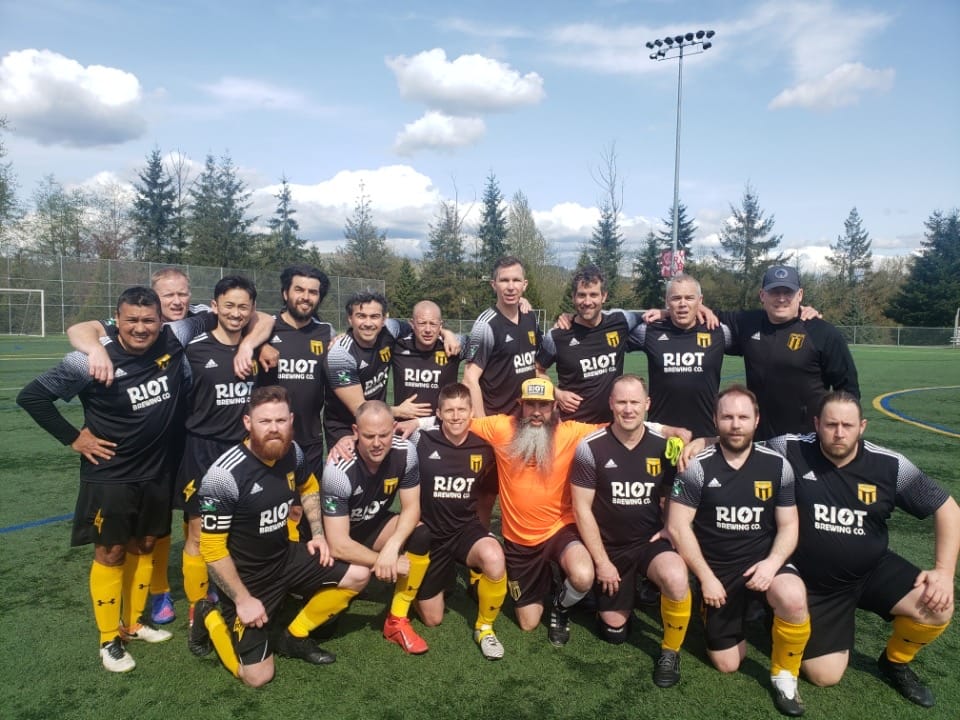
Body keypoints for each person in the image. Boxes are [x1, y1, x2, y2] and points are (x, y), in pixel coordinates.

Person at [16, 286, 214, 672]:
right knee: (111, 552)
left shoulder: (175, 337)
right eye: (132, 321)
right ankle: (109, 641)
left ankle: (133, 623)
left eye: (148, 320)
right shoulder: (89, 359)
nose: (141, 329)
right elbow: (33, 397)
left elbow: (223, 313)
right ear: (116, 321)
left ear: (162, 321)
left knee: (144, 544)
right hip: (111, 475)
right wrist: (74, 437)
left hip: (157, 471)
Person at [766, 391, 958, 708]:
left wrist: (943, 571)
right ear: (816, 424)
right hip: (818, 585)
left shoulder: (890, 465)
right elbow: (741, 448)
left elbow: (948, 509)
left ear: (862, 426)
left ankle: (895, 661)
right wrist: (700, 443)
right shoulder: (790, 448)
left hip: (872, 570)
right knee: (824, 675)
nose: (839, 433)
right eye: (830, 425)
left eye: (847, 425)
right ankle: (778, 615)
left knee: (939, 607)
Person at [189, 386, 370, 687]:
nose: (274, 429)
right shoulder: (223, 477)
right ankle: (209, 617)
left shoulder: (292, 451)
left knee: (359, 575)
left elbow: (310, 487)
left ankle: (294, 636)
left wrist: (318, 534)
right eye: (265, 421)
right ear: (248, 423)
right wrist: (244, 599)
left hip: (285, 557)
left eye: (280, 420)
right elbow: (211, 549)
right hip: (248, 579)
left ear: (291, 420)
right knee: (257, 677)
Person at [668, 385, 811, 717]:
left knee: (792, 596)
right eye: (728, 417)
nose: (736, 424)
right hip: (719, 572)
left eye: (743, 417)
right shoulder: (696, 466)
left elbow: (790, 526)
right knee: (728, 663)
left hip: (764, 563)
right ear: (716, 420)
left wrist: (773, 564)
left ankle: (785, 678)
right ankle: (721, 611)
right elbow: (678, 527)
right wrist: (705, 578)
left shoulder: (778, 466)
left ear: (756, 420)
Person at [456, 378, 599, 646]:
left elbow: (616, 429)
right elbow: (458, 423)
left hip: (559, 529)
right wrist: (415, 423)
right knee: (528, 623)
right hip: (519, 540)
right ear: (520, 406)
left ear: (555, 406)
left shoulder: (570, 432)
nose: (536, 412)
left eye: (543, 406)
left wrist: (667, 430)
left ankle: (561, 607)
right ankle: (546, 578)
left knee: (583, 575)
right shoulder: (501, 428)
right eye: (530, 404)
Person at [570, 374, 691, 687]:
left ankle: (670, 651)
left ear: (647, 405)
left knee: (677, 577)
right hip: (610, 548)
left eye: (634, 402)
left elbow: (670, 495)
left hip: (648, 542)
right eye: (621, 402)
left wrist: (668, 528)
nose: (628, 409)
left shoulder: (665, 447)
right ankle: (615, 597)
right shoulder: (589, 448)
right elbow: (581, 508)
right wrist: (601, 562)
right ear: (610, 404)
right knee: (614, 632)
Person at [174, 276, 260, 640]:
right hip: (203, 452)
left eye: (243, 307)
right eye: (229, 306)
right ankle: (199, 610)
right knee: (199, 533)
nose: (236, 313)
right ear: (215, 306)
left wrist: (256, 346)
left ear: (251, 311)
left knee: (240, 529)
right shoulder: (192, 350)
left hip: (244, 453)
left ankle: (238, 597)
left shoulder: (260, 350)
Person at [321, 400, 433, 654]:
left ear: (394, 428)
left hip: (373, 527)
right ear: (355, 432)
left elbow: (412, 508)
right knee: (324, 630)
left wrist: (392, 547)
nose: (377, 443)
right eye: (369, 436)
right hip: (334, 541)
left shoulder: (406, 451)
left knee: (420, 533)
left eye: (384, 434)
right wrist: (380, 561)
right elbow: (338, 544)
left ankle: (396, 620)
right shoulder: (338, 470)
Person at [411, 383, 505, 659]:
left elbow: (487, 494)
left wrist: (484, 532)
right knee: (432, 619)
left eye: (461, 410)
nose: (455, 416)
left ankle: (484, 628)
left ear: (471, 412)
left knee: (495, 557)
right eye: (449, 410)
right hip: (430, 535)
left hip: (465, 530)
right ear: (438, 413)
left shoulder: (485, 449)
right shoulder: (420, 440)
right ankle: (422, 581)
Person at [719, 266, 859, 440]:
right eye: (774, 292)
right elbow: (706, 316)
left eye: (788, 292)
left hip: (807, 443)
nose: (781, 298)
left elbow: (848, 389)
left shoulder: (823, 333)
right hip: (758, 441)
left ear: (800, 295)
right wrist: (700, 309)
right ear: (762, 295)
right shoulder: (748, 323)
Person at [323, 290, 459, 449]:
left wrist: (447, 333)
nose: (368, 323)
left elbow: (422, 325)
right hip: (345, 428)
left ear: (383, 319)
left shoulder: (390, 329)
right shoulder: (340, 354)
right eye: (361, 316)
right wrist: (399, 411)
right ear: (350, 319)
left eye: (374, 316)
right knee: (349, 470)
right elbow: (359, 409)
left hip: (379, 423)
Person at [628, 273, 733, 438]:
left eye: (689, 298)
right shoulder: (648, 331)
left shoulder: (719, 331)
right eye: (676, 298)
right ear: (667, 301)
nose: (683, 304)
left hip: (706, 437)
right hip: (660, 435)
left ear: (700, 300)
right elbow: (611, 326)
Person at [536, 265, 641, 423]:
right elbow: (536, 370)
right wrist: (556, 393)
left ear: (603, 296)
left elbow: (651, 316)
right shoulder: (557, 335)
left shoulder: (621, 320)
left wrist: (667, 312)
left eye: (593, 295)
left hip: (611, 427)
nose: (587, 301)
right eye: (581, 295)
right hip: (573, 427)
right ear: (573, 297)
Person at [257, 264, 333, 469]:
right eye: (299, 289)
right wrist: (259, 345)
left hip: (311, 441)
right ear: (285, 293)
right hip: (268, 439)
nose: (306, 297)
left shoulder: (327, 333)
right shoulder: (264, 330)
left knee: (310, 500)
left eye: (313, 292)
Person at [464, 256, 541, 417]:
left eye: (516, 280)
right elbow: (470, 379)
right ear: (494, 285)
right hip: (497, 420)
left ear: (524, 285)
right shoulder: (485, 325)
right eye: (504, 280)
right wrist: (483, 424)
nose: (511, 287)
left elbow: (540, 363)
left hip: (526, 418)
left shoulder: (530, 317)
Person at [392, 300, 467, 414]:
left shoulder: (452, 346)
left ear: (440, 325)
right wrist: (396, 411)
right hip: (404, 424)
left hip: (440, 425)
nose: (428, 330)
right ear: (412, 324)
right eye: (422, 323)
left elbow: (485, 347)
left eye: (433, 324)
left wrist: (448, 334)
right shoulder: (398, 347)